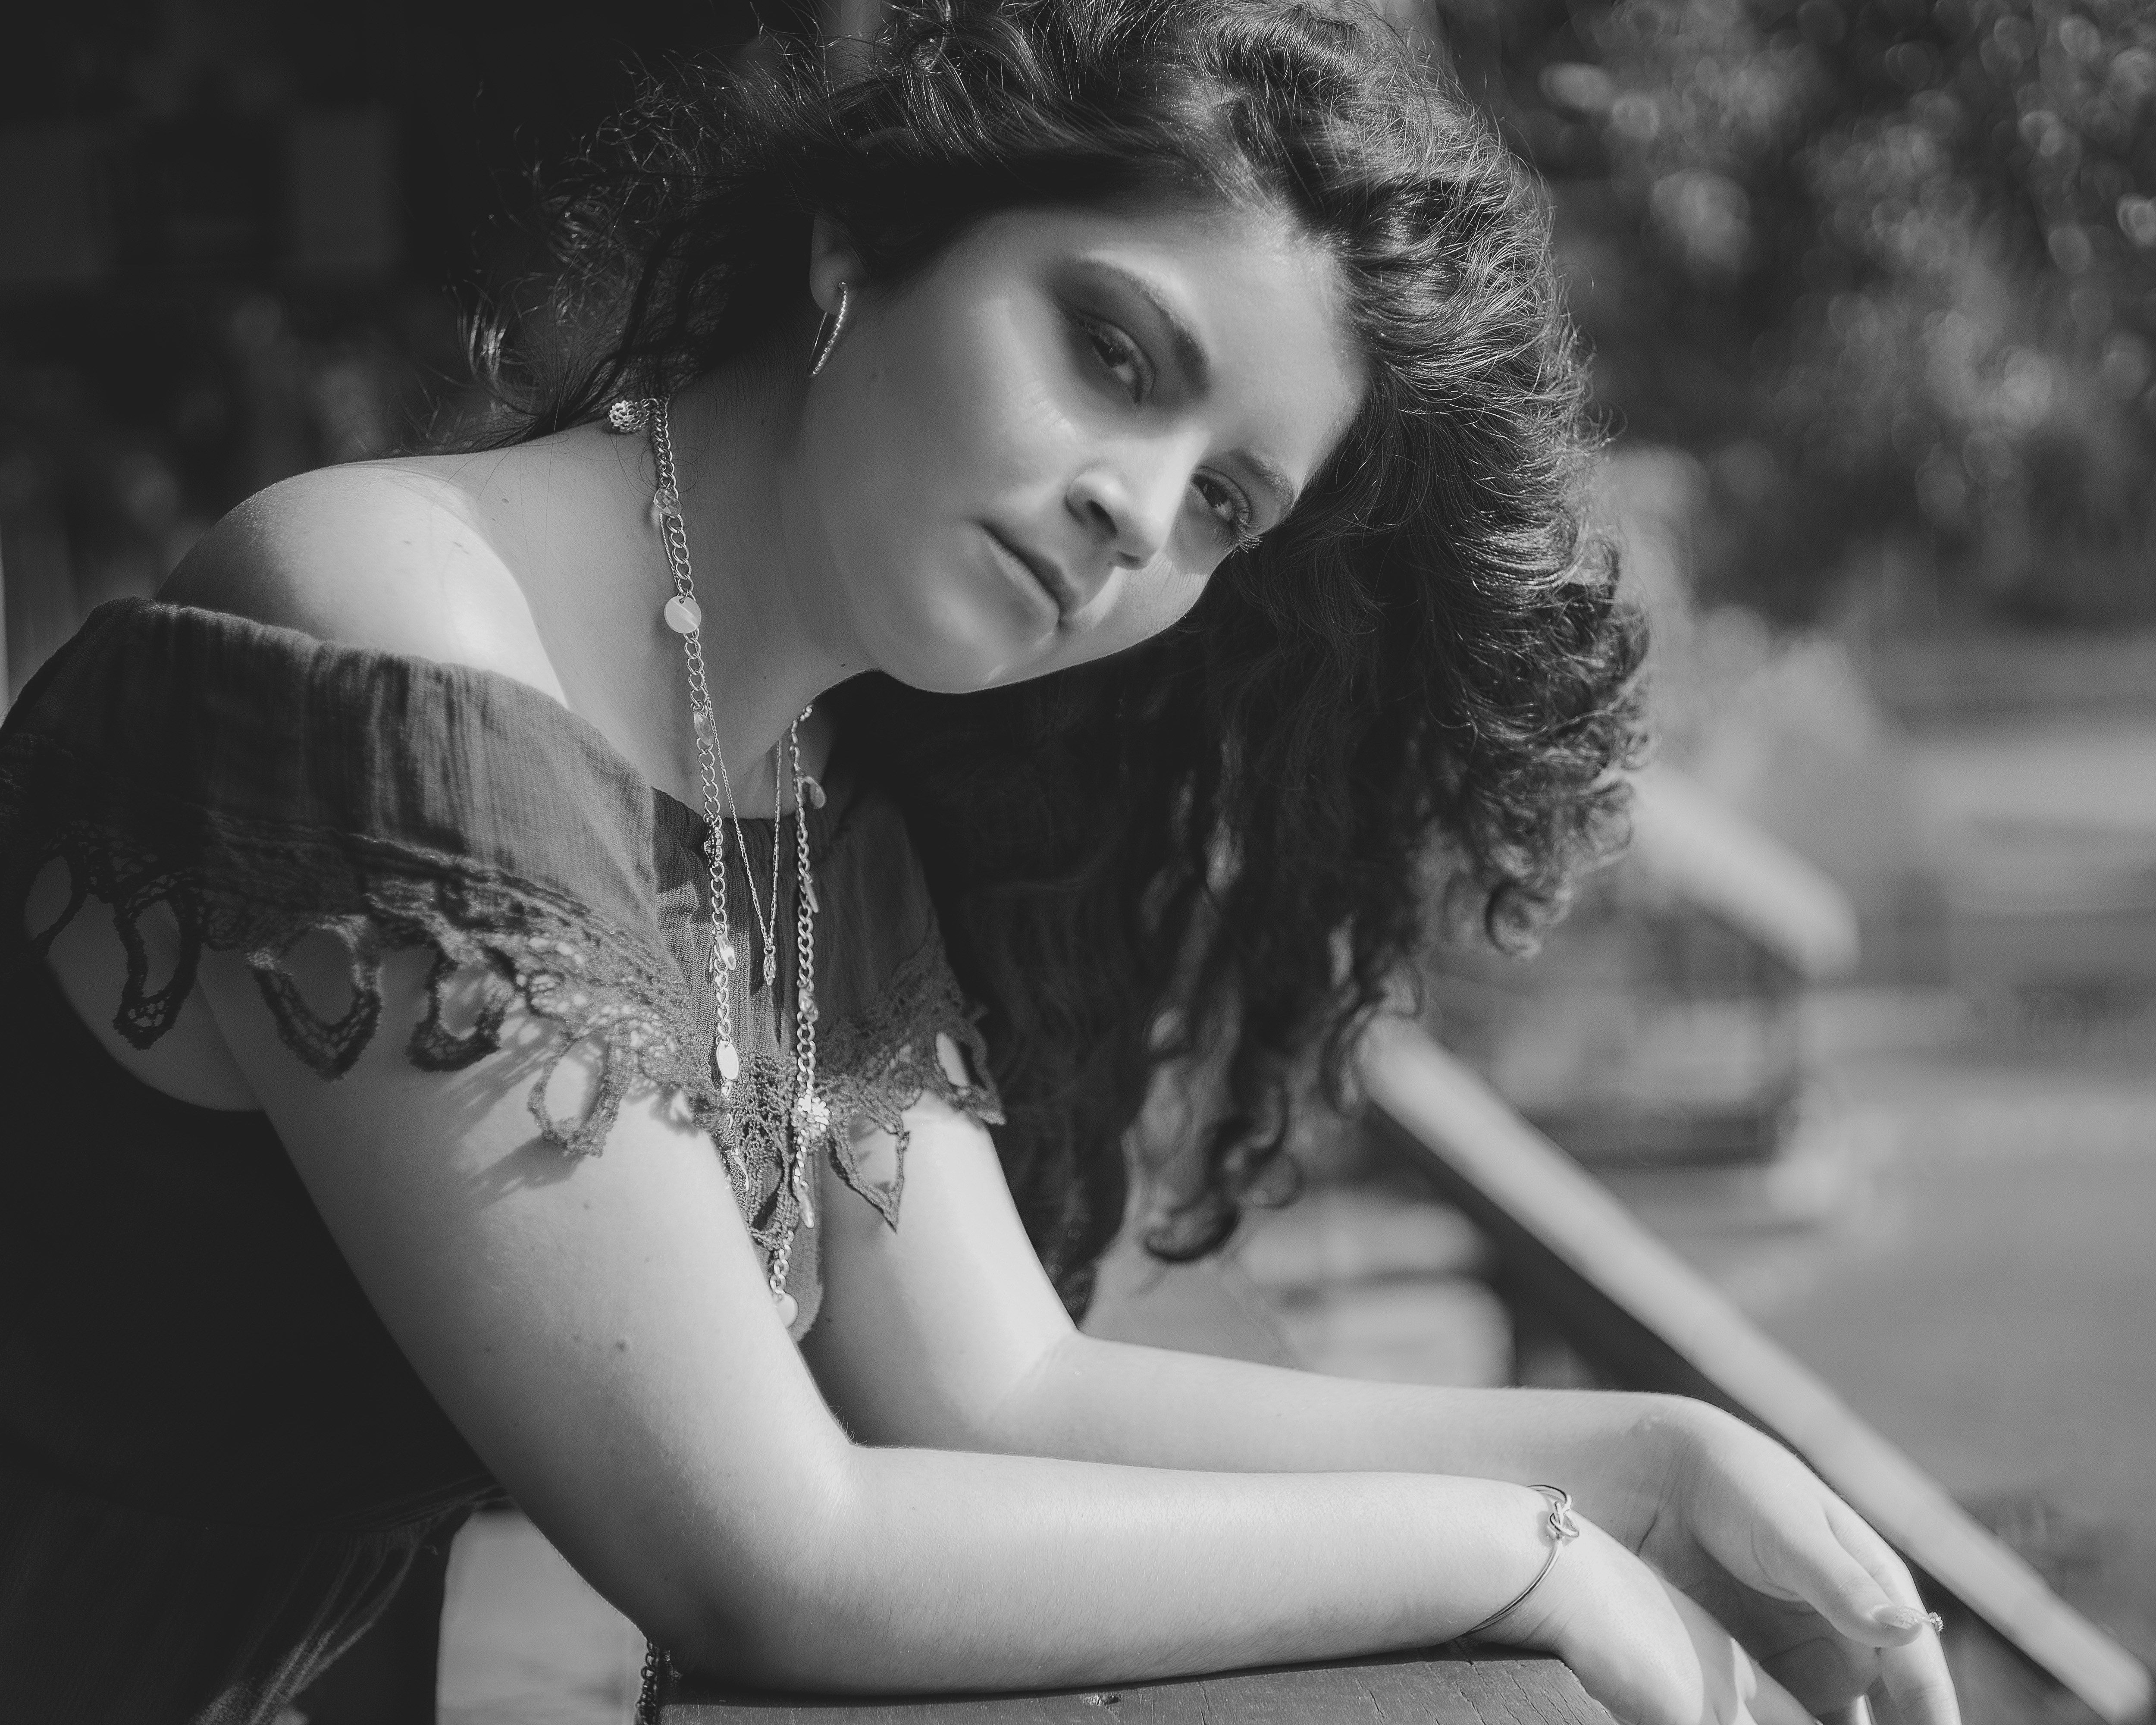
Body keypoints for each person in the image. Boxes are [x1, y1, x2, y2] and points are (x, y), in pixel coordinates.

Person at [0, 2, 1961, 1722]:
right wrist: (1519, 1556)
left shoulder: (792, 802)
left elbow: (999, 1391)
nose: (1132, 514)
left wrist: (1643, 1449)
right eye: (1111, 351)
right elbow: (772, 1549)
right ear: (869, 238)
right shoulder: (396, 626)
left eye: (1223, 502)